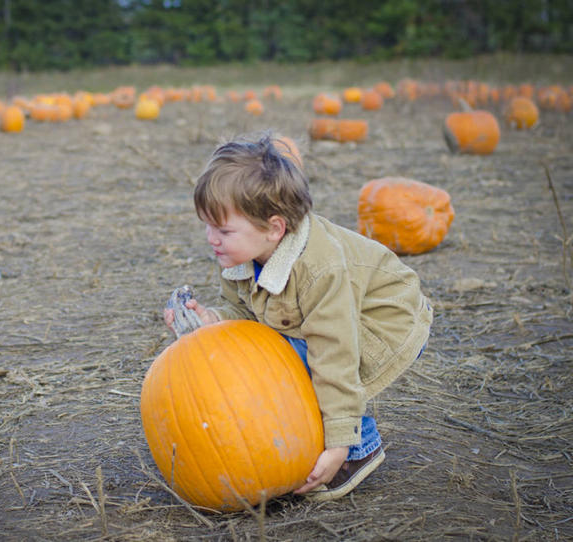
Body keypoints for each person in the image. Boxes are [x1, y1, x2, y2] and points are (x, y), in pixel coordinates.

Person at [163, 132, 433, 501]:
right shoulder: (243, 255)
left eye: (223, 230)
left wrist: (339, 442)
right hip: (333, 324)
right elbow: (245, 313)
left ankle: (360, 446)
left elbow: (335, 354)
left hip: (383, 325)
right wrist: (214, 319)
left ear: (275, 227)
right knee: (271, 358)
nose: (212, 239)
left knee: (296, 365)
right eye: (207, 225)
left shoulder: (319, 270)